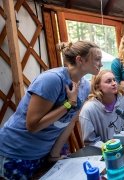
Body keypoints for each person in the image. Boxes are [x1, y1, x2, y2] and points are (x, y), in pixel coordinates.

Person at [0, 41, 102, 179]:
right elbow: (33, 126)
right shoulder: (51, 80)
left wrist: (55, 154)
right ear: (80, 60)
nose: (100, 64)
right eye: (97, 59)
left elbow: (70, 121)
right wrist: (68, 103)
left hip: (46, 151)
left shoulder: (85, 86)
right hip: (18, 152)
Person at [79, 70, 124, 146]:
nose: (114, 83)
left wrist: (121, 143)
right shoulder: (88, 109)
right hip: (101, 153)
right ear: (98, 86)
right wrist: (110, 148)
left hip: (123, 147)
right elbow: (90, 140)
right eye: (108, 81)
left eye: (114, 80)